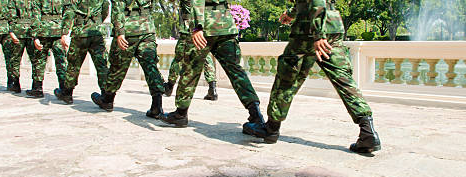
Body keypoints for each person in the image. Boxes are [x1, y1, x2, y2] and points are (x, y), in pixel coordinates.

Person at [243, 0, 381, 154]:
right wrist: (290, 13)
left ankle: (271, 128)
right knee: (343, 79)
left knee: (287, 77)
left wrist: (318, 34)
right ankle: (367, 131)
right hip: (332, 25)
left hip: (309, 30)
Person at [160, 0, 264, 128]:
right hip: (225, 25)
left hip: (205, 27)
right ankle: (256, 114)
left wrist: (197, 26)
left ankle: (180, 114)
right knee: (237, 72)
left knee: (190, 70)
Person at [91, 0, 166, 116]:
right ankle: (157, 106)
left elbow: (117, 7)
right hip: (147, 28)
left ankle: (107, 99)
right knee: (150, 67)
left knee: (117, 67)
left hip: (128, 29)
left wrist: (120, 32)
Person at [54, 0, 110, 104]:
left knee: (73, 64)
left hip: (80, 32)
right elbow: (105, 9)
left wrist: (64, 32)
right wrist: (96, 23)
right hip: (96, 32)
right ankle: (106, 97)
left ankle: (67, 94)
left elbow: (69, 12)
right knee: (101, 64)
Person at [27, 0, 68, 98]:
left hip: (43, 31)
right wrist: (65, 32)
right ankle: (64, 89)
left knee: (40, 60)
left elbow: (35, 16)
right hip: (59, 31)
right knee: (61, 61)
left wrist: (35, 35)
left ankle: (37, 88)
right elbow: (68, 14)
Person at [6, 0, 39, 93]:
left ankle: (15, 84)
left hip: (18, 31)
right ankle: (36, 86)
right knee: (35, 60)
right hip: (31, 31)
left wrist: (11, 32)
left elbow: (11, 16)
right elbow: (37, 15)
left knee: (15, 59)